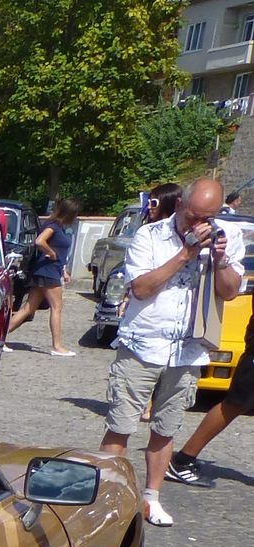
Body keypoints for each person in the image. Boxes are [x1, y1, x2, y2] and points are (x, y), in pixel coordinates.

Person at [99, 178, 245, 528]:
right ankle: (103, 497)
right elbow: (140, 288)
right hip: (143, 343)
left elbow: (230, 293)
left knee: (166, 429)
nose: (199, 225)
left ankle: (152, 497)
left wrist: (221, 261)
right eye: (194, 216)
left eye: (207, 218)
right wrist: (186, 254)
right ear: (179, 204)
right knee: (120, 425)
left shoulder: (229, 237)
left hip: (187, 350)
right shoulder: (150, 236)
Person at [7, 198, 77, 358]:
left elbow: (57, 250)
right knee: (57, 308)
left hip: (47, 271)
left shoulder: (56, 226)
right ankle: (57, 346)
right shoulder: (53, 226)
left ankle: (1, 337)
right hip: (48, 272)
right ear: (70, 213)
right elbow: (40, 241)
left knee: (28, 309)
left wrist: (63, 270)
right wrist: (51, 253)